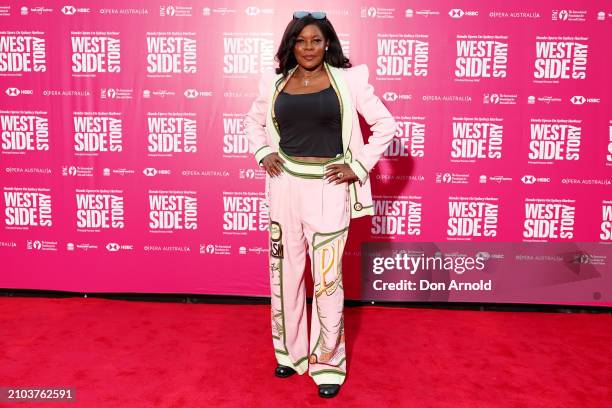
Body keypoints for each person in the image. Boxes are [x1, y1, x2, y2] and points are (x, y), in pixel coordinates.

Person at [244, 11, 397, 398]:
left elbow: (385, 125)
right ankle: (290, 353)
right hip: (283, 187)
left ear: (327, 42)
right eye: (300, 41)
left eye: (315, 40)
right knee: (285, 276)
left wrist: (358, 165)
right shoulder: (276, 81)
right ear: (290, 45)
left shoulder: (347, 80)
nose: (308, 47)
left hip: (328, 190)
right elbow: (252, 121)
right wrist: (263, 151)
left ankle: (328, 364)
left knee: (327, 282)